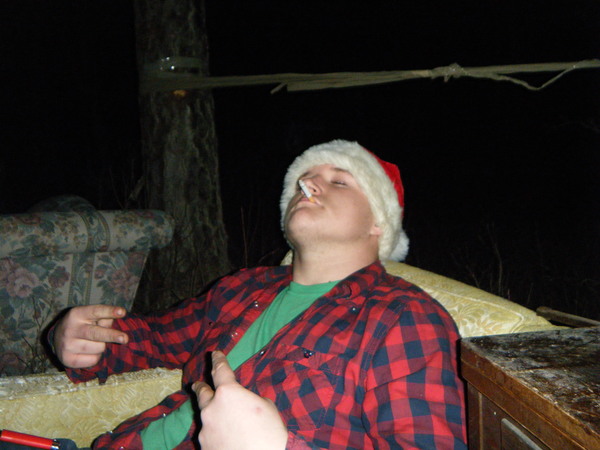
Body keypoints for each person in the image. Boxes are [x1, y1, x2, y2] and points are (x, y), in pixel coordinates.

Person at [50, 140, 467, 449]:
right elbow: (151, 338)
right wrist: (74, 336)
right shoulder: (243, 287)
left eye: (339, 181)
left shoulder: (404, 318)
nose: (308, 185)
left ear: (379, 224)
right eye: (304, 180)